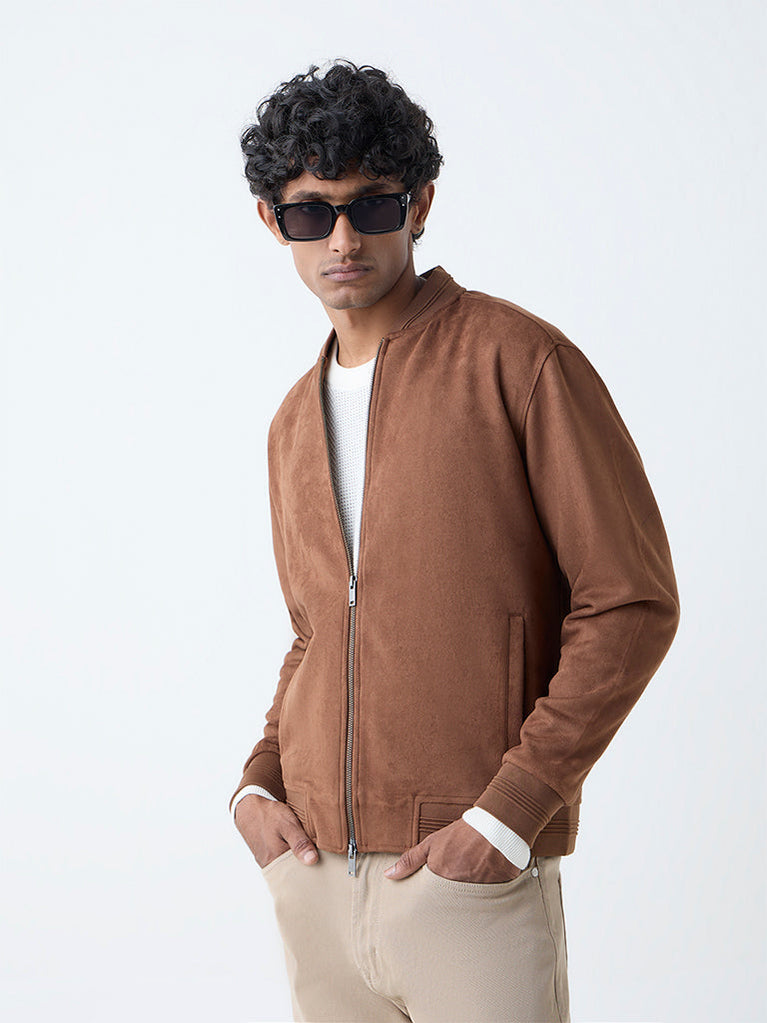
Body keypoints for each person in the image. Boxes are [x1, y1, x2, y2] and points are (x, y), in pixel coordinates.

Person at [229, 60, 680, 1023]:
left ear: (420, 203)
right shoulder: (291, 422)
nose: (342, 238)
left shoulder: (518, 361)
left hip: (467, 877)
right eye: (311, 213)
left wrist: (509, 812)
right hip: (314, 881)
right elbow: (316, 633)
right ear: (273, 221)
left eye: (371, 205)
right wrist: (256, 786)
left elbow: (630, 601)